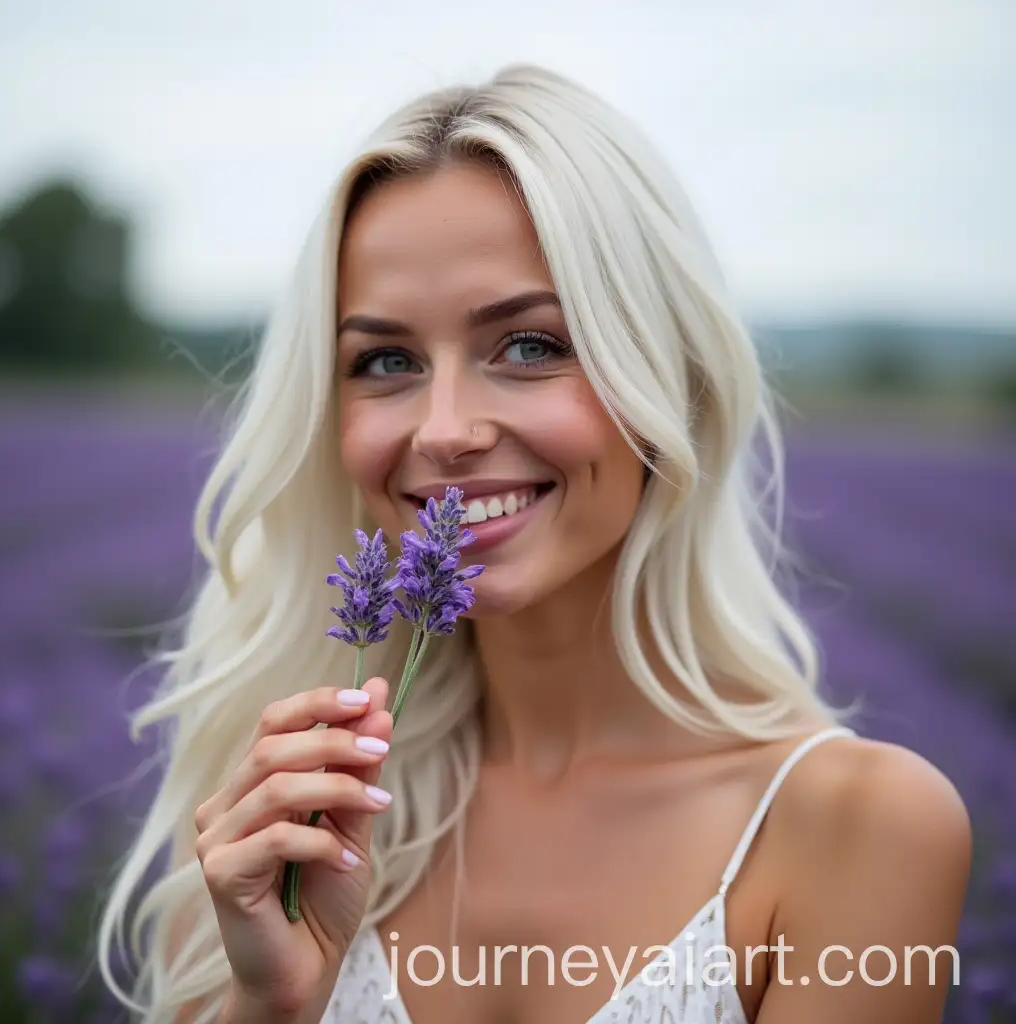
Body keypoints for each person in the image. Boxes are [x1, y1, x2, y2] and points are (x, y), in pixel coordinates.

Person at [97, 63, 971, 1024]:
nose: (444, 429)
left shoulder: (857, 828)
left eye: (529, 345)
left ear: (666, 377)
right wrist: (269, 1008)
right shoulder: (279, 819)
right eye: (385, 360)